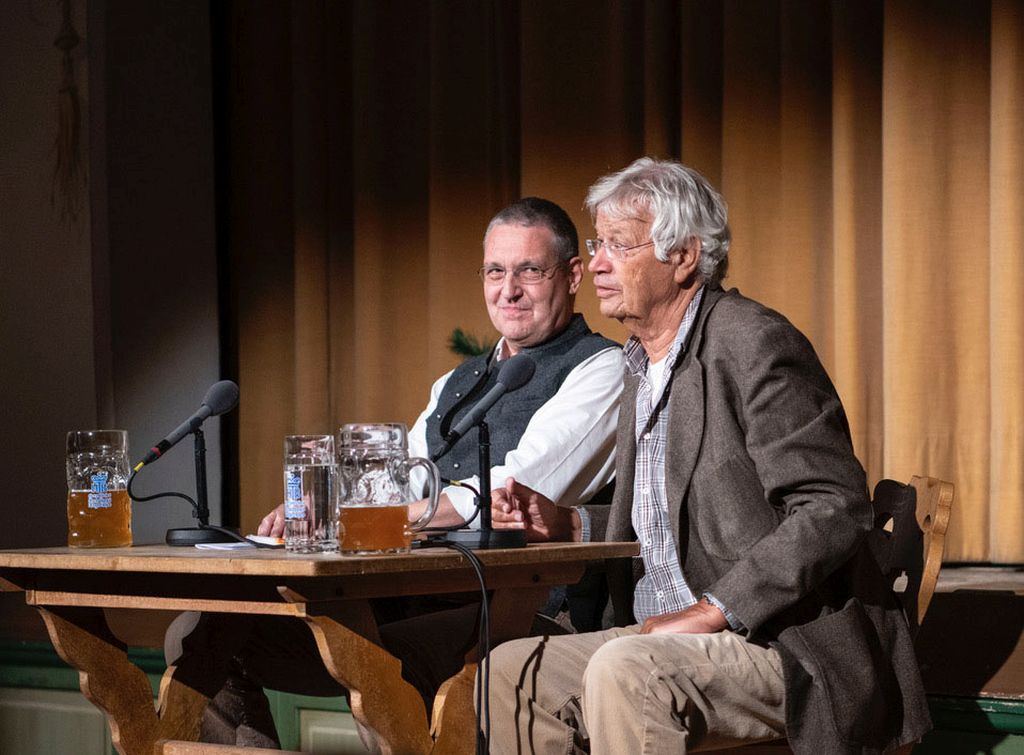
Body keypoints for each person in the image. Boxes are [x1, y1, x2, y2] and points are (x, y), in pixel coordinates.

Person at [485, 158, 931, 754]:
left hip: (777, 639)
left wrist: (716, 609)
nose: (594, 263)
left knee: (626, 672)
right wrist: (570, 523)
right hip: (652, 633)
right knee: (511, 673)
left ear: (684, 256)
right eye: (597, 243)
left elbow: (833, 507)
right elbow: (671, 513)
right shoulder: (639, 364)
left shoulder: (751, 342)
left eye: (618, 244)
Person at [165, 197, 623, 748]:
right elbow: (394, 480)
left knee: (381, 666)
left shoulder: (603, 369)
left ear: (573, 275)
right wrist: (322, 515)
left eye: (530, 270)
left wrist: (378, 519)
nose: (509, 289)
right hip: (408, 596)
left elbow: (512, 493)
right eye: (496, 271)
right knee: (201, 635)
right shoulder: (456, 382)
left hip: (517, 611)